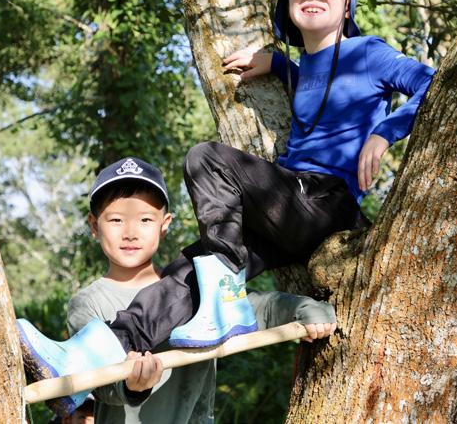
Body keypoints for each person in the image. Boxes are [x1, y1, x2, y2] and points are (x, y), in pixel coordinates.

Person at [19, 0, 434, 413]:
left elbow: (431, 83)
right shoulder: (306, 65)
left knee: (208, 159)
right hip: (290, 209)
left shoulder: (369, 53)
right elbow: (318, 84)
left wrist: (384, 132)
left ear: (348, 0)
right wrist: (278, 64)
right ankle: (87, 357)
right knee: (187, 272)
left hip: (326, 202)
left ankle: (224, 301)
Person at [21, 157, 337, 419]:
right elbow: (98, 386)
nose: (130, 233)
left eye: (145, 220)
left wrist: (302, 308)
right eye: (116, 220)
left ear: (165, 223)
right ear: (94, 226)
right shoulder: (88, 302)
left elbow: (254, 308)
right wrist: (132, 385)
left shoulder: (193, 283)